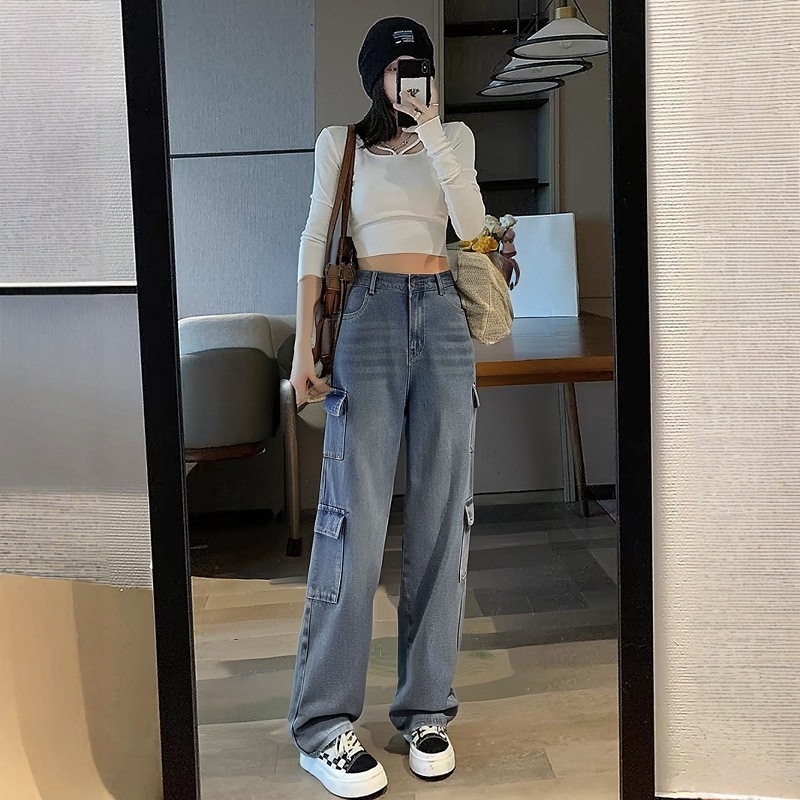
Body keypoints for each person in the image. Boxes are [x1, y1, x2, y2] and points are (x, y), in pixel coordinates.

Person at [288, 16, 485, 799]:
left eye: (421, 65)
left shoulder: (454, 137)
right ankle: (323, 724)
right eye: (400, 67)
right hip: (367, 314)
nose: (412, 78)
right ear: (375, 75)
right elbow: (314, 240)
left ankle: (427, 709)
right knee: (354, 521)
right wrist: (303, 347)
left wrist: (432, 130)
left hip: (441, 313)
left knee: (443, 516)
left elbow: (473, 229)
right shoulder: (340, 145)